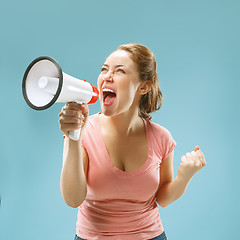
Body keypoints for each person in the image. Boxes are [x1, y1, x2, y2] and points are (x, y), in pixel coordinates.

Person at [59, 43, 206, 240]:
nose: (107, 76)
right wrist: (73, 137)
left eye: (120, 71)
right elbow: (72, 199)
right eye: (104, 69)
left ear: (143, 86)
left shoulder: (162, 138)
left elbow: (162, 198)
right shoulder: (84, 131)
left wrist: (185, 176)